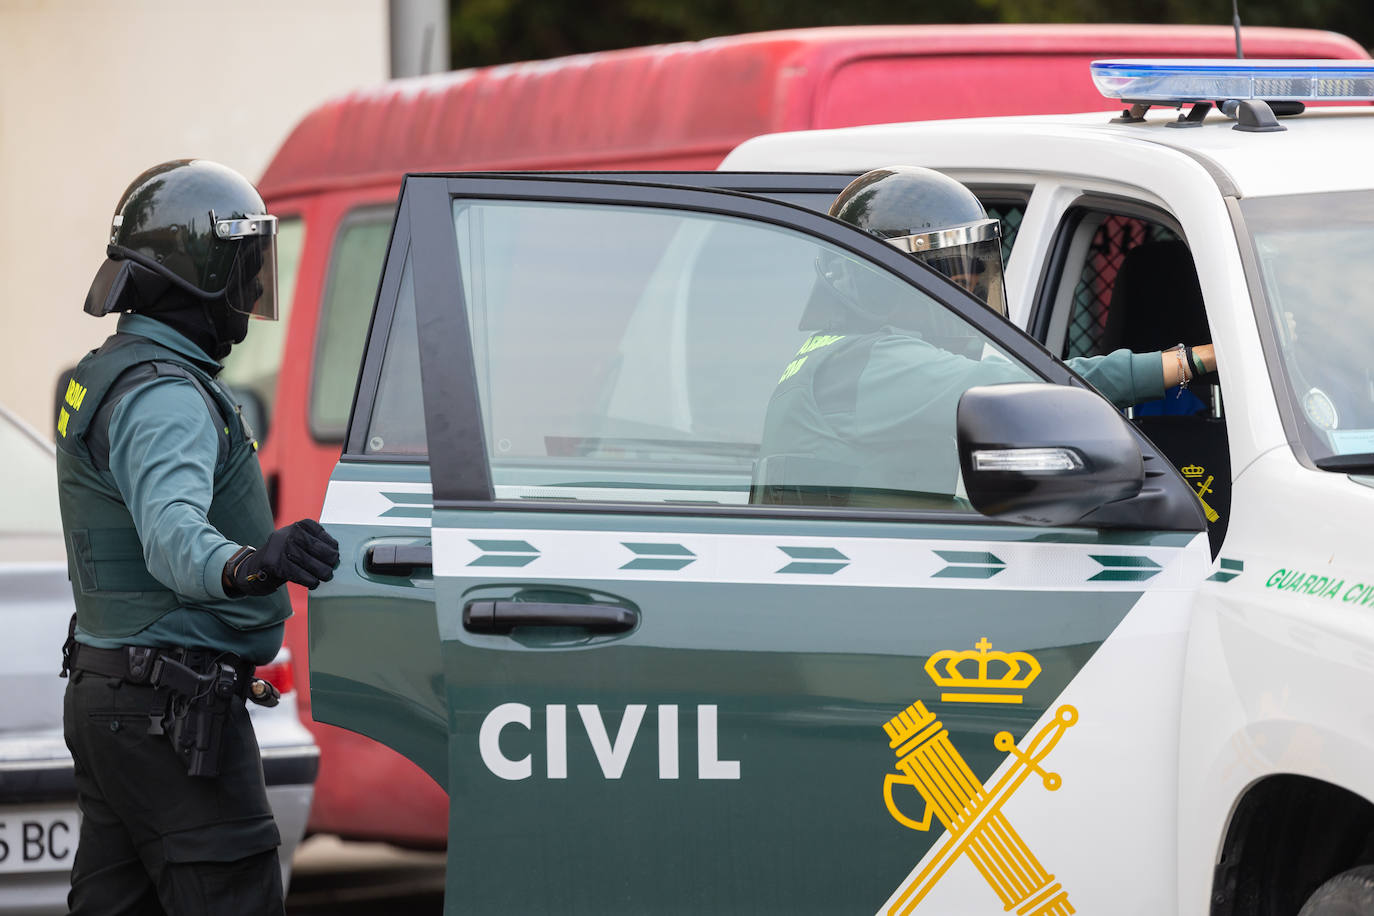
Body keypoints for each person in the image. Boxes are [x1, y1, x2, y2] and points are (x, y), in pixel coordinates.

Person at [54, 159, 340, 915]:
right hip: (168, 714)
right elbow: (174, 537)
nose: (250, 292)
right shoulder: (166, 395)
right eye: (243, 269)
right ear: (200, 275)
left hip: (118, 700)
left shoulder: (110, 373)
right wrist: (253, 562)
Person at [754, 166, 1217, 508]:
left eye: (975, 273)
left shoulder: (836, 352)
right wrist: (1193, 362)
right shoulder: (872, 365)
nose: (968, 290)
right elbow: (1039, 385)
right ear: (883, 278)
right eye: (948, 276)